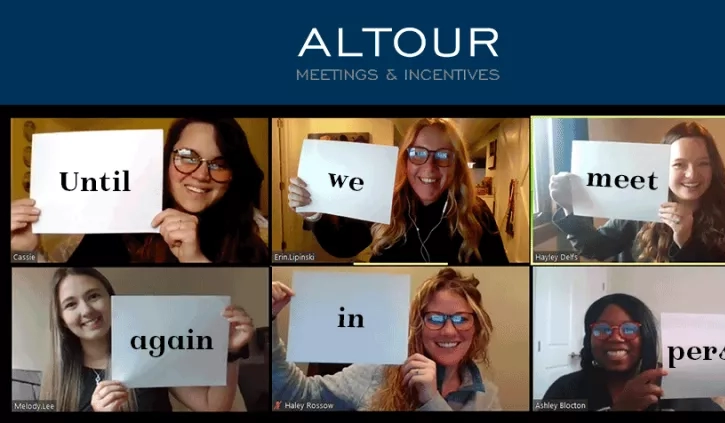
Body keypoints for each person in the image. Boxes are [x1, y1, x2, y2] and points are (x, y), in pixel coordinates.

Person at [10, 118, 269, 264]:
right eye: (187, 156)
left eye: (219, 164)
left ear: (233, 174)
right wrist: (27, 253)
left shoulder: (251, 246)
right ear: (167, 161)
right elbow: (69, 288)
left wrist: (196, 260)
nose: (201, 175)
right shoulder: (119, 229)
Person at [548, 121, 725, 262]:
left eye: (703, 163)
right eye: (679, 164)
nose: (692, 175)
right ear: (662, 168)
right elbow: (596, 247)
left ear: (714, 168)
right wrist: (569, 206)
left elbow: (722, 282)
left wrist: (685, 240)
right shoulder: (638, 208)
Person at [270, 268, 501, 411]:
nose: (449, 331)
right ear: (418, 325)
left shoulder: (486, 398)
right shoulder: (377, 371)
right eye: (435, 318)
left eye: (461, 319)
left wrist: (431, 399)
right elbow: (295, 395)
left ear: (477, 327)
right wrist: (269, 320)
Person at [287, 118, 509, 264]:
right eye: (418, 153)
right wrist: (313, 212)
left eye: (443, 155)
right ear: (405, 161)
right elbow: (342, 246)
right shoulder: (384, 202)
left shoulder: (478, 214)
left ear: (457, 165)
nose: (430, 167)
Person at [39, 267, 255, 412]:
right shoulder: (58, 377)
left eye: (94, 296)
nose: (86, 310)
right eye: (70, 304)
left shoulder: (151, 348)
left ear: (111, 299)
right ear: (61, 318)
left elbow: (212, 406)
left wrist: (230, 352)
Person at [542, 293, 725, 411]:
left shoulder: (678, 384)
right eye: (602, 329)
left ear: (646, 336)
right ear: (590, 337)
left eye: (629, 329)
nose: (615, 337)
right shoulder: (564, 390)